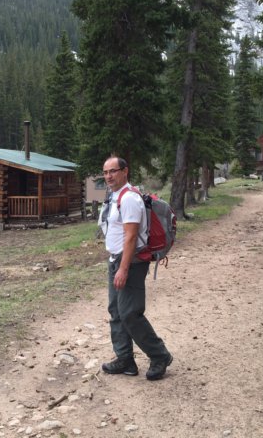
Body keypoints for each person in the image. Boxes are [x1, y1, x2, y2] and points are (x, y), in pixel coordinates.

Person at [99, 156, 173, 381]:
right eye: (105, 172)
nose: (109, 176)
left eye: (113, 171)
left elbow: (131, 237)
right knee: (116, 311)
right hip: (116, 260)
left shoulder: (130, 198)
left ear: (125, 171)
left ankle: (159, 355)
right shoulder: (114, 196)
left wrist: (123, 269)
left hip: (130, 262)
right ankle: (125, 360)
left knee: (130, 313)